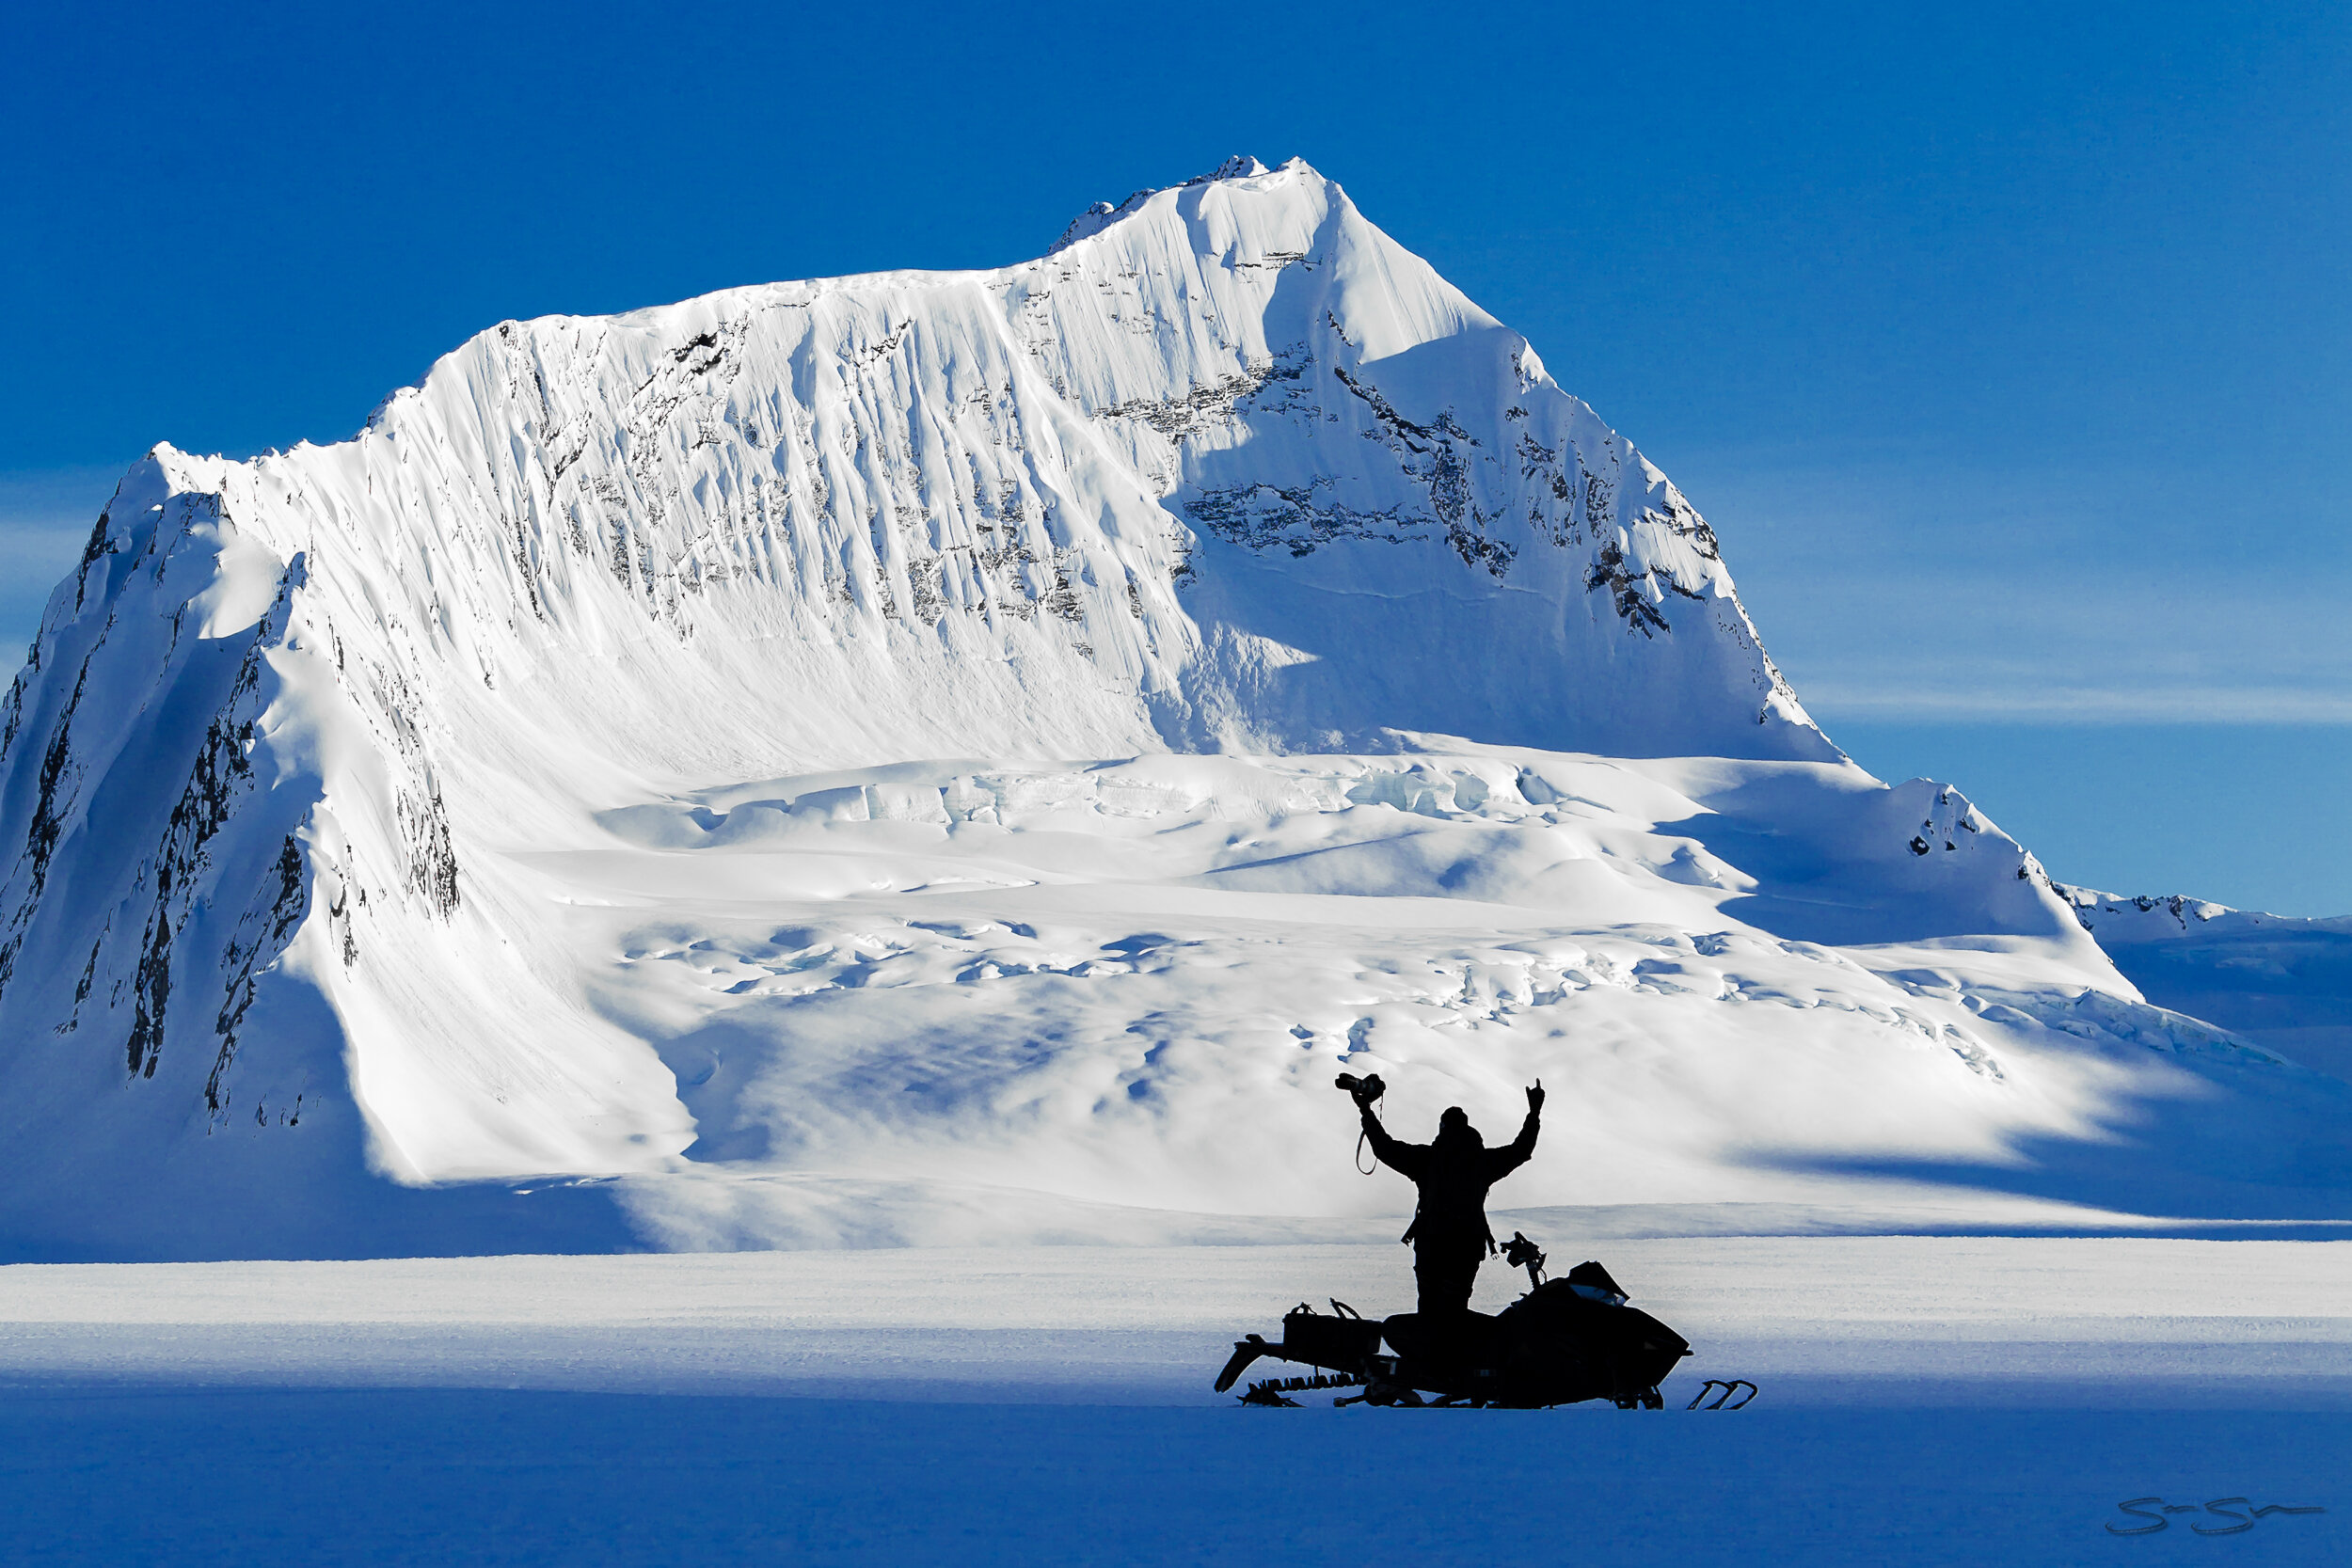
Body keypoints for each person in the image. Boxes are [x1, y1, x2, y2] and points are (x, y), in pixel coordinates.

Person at [1351, 1080, 1544, 1318]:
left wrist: (1365, 1111)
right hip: (1467, 1247)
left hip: (1431, 1245)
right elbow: (1522, 1149)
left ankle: (1429, 1352)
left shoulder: (1427, 1159)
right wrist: (1534, 1113)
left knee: (1429, 1313)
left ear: (1442, 1128)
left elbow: (1384, 1148)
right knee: (1455, 1312)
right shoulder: (1484, 1162)